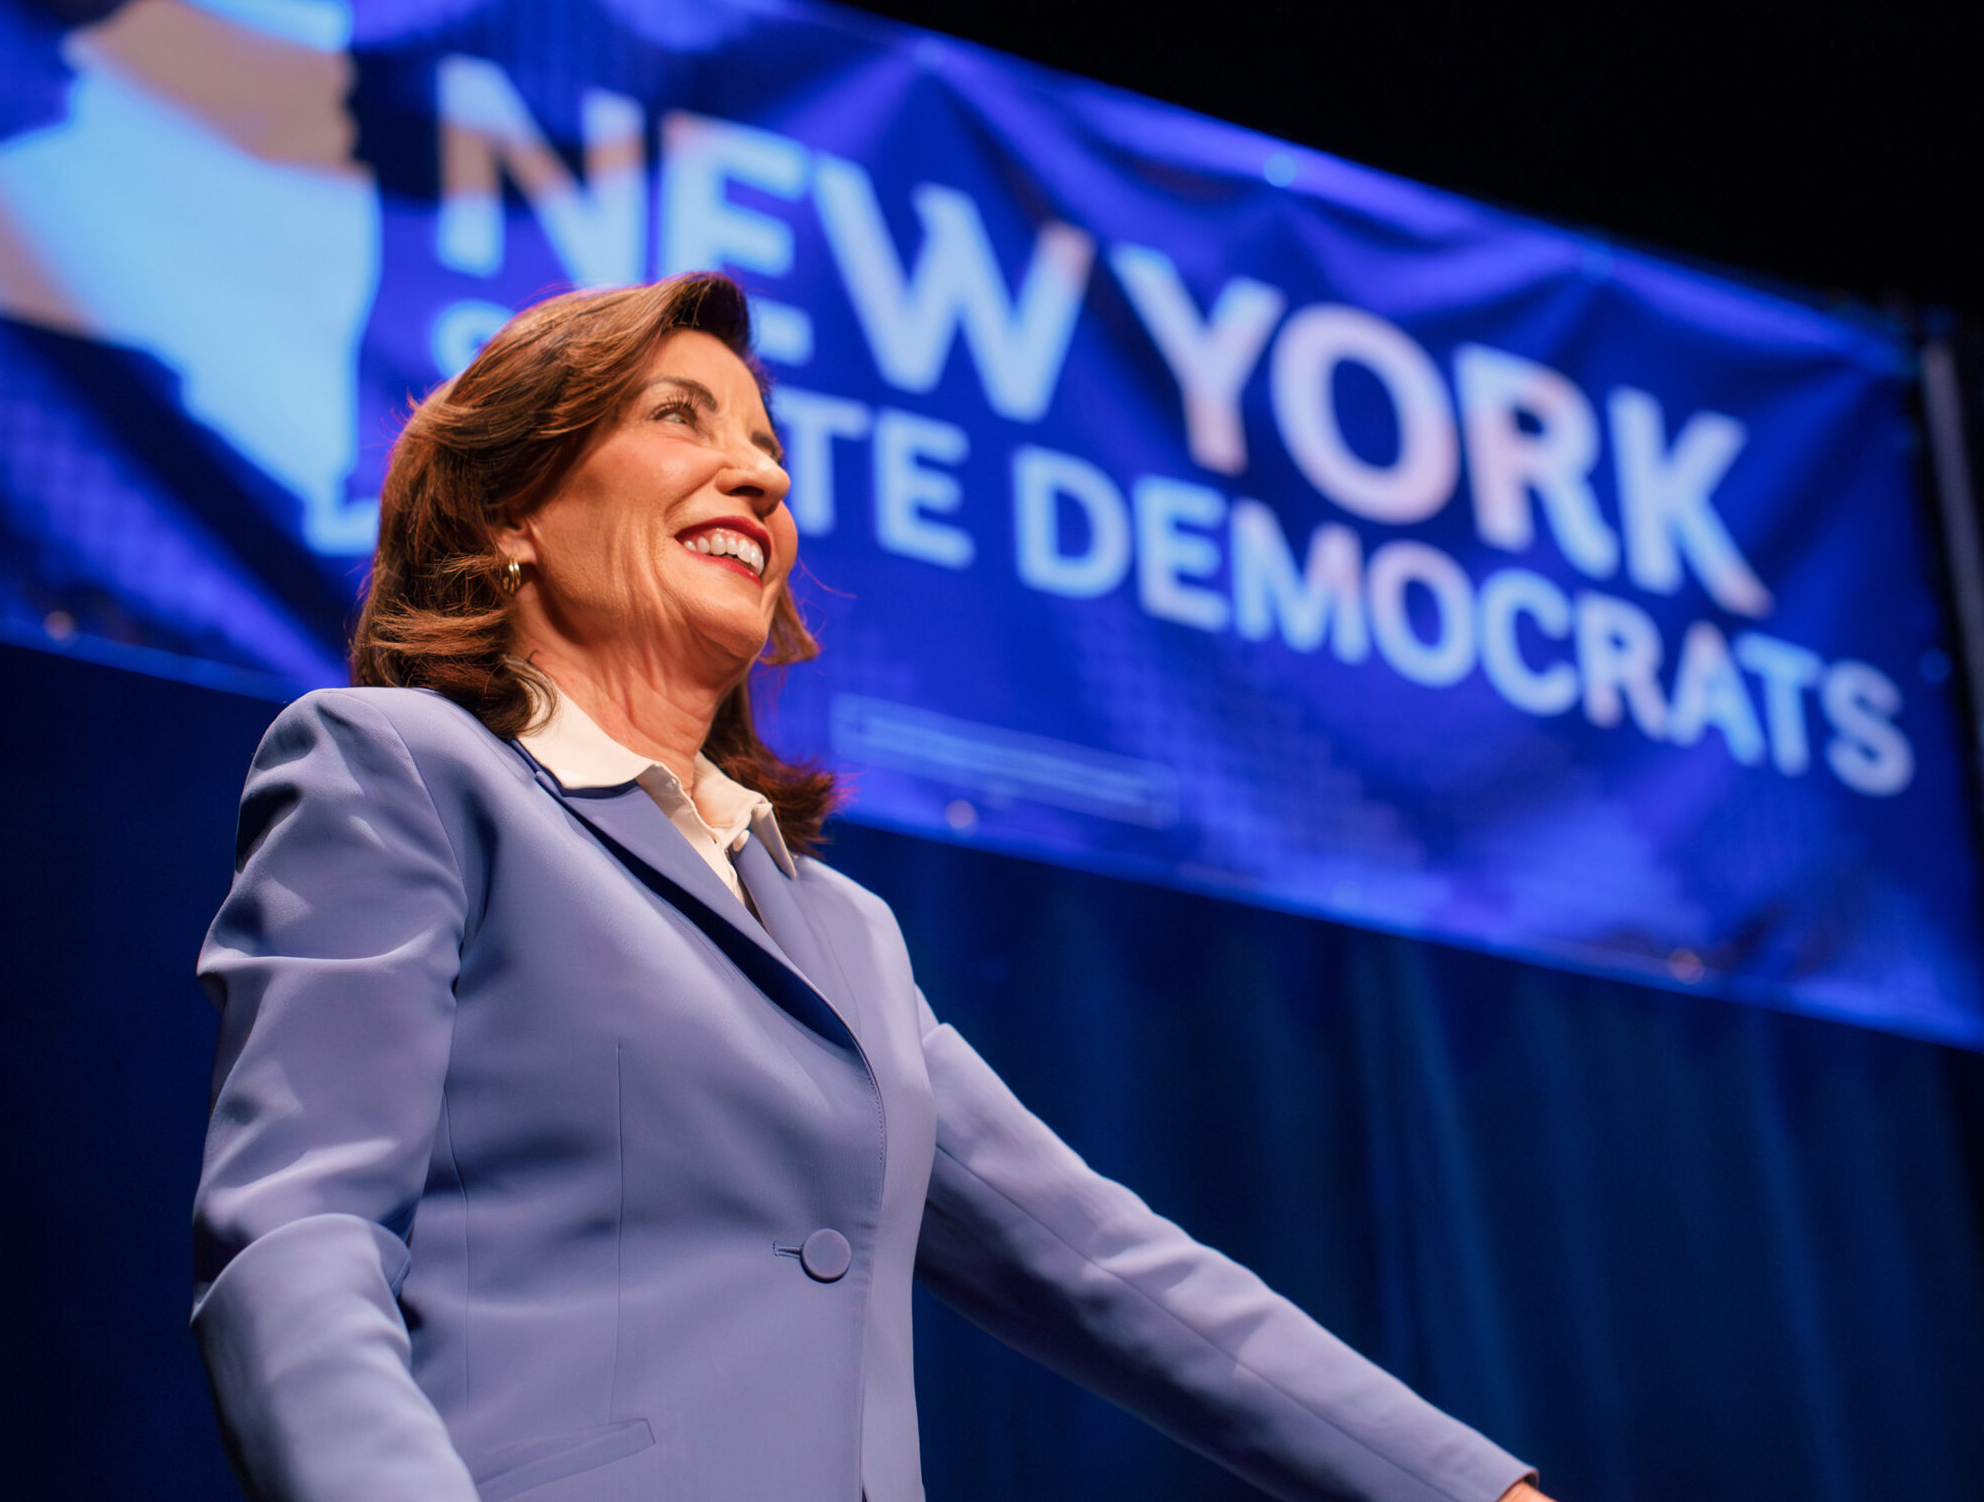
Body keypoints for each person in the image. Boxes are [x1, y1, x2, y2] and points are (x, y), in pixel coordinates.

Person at [190, 272, 1547, 1502]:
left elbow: (1111, 1268)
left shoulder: (845, 933)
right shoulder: (405, 770)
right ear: (512, 514)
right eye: (682, 418)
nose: (758, 478)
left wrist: (1475, 1495)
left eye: (770, 451)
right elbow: (299, 1244)